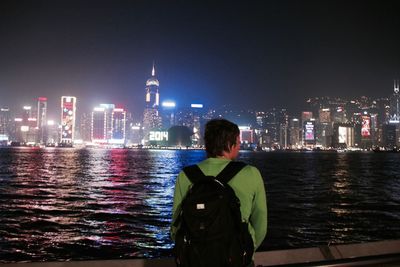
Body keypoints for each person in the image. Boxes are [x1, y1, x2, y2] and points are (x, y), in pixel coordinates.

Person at [171, 118, 267, 266]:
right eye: (238, 141)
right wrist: (245, 250)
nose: (240, 145)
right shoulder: (251, 173)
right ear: (230, 144)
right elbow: (261, 224)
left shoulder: (185, 176)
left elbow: (175, 227)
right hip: (237, 261)